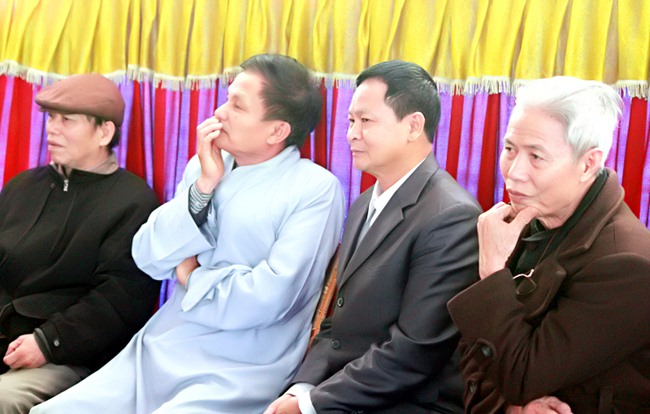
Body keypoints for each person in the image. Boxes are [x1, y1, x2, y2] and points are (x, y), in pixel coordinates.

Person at [31, 54, 345, 414]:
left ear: (277, 131)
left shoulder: (315, 188)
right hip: (164, 344)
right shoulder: (204, 164)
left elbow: (269, 298)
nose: (220, 112)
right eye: (226, 99)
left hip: (242, 363)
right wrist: (203, 187)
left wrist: (193, 275)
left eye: (237, 105)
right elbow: (147, 256)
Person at [266, 60, 481, 414]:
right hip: (346, 391)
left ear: (413, 126)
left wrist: (310, 405)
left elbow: (414, 350)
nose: (352, 134)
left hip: (408, 402)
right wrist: (301, 390)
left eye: (366, 121)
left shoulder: (451, 216)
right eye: (351, 121)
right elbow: (337, 324)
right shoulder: (365, 203)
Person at [447, 76, 650, 413]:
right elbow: (472, 351)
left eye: (536, 156)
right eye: (509, 149)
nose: (513, 172)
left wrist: (493, 272)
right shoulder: (529, 220)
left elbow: (522, 376)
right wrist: (510, 409)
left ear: (588, 164)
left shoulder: (627, 264)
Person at [0, 73, 161, 413]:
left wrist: (49, 342)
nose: (52, 129)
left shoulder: (133, 201)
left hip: (67, 354)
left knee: (4, 398)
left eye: (67, 120)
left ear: (104, 132)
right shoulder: (22, 186)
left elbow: (121, 299)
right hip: (6, 337)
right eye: (51, 118)